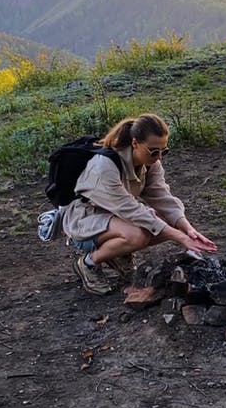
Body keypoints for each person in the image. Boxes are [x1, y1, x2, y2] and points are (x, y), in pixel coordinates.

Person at [61, 113, 217, 294]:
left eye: (164, 151)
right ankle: (88, 263)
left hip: (115, 216)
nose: (159, 157)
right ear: (135, 143)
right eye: (154, 151)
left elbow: (163, 198)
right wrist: (180, 237)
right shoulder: (104, 166)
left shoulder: (151, 163)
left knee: (165, 224)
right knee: (139, 234)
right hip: (84, 219)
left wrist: (187, 229)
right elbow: (131, 210)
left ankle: (118, 254)